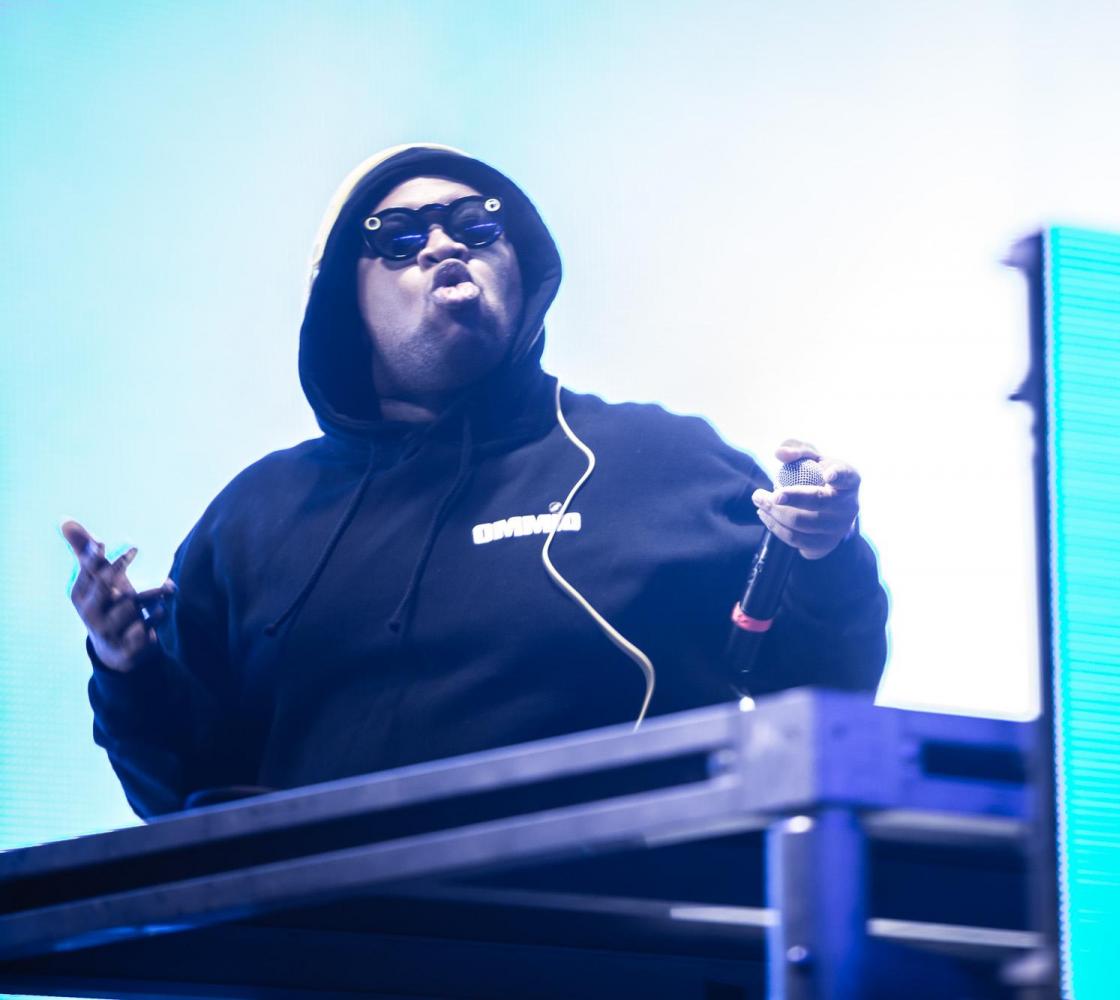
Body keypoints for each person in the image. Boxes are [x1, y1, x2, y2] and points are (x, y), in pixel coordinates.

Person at [63, 144, 888, 819]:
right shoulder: (255, 518)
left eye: (476, 224)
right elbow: (180, 793)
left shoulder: (664, 460)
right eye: (398, 237)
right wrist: (125, 666)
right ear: (344, 301)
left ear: (521, 270)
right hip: (324, 947)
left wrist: (826, 557)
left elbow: (821, 695)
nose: (444, 245)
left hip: (608, 940)